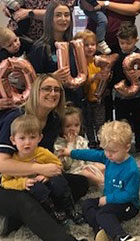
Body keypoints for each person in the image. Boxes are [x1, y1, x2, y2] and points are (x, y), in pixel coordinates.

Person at [0, 74, 88, 241]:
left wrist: (48, 172)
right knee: (25, 201)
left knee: (80, 183)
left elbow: (45, 157)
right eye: (47, 88)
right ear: (35, 91)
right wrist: (39, 169)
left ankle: (24, 216)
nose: (53, 93)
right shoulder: (15, 117)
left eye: (57, 90)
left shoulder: (53, 120)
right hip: (7, 181)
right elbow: (1, 165)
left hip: (36, 177)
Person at [60, 120, 140, 241]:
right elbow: (90, 154)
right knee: (87, 204)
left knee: (103, 213)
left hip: (128, 204)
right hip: (109, 199)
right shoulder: (108, 156)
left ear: (127, 147)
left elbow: (130, 194)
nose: (108, 155)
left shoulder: (132, 169)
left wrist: (108, 199)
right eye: (106, 150)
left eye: (113, 151)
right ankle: (101, 230)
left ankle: (122, 237)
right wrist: (71, 152)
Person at [1, 114, 84, 225]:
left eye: (32, 137)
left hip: (50, 183)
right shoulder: (13, 160)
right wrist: (22, 183)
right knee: (37, 189)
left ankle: (70, 209)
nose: (27, 142)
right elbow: (5, 182)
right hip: (34, 191)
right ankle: (54, 214)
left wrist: (47, 175)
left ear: (39, 138)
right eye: (22, 138)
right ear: (13, 140)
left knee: (59, 181)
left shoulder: (42, 152)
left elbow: (57, 165)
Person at [27, 0, 83, 107]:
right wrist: (52, 77)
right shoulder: (40, 47)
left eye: (66, 15)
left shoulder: (74, 46)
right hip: (51, 104)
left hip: (75, 102)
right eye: (58, 15)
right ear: (49, 19)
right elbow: (31, 79)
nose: (63, 19)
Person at [111, 21, 140, 152]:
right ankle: (123, 145)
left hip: (139, 96)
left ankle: (139, 144)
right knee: (122, 122)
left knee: (138, 122)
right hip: (122, 97)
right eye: (122, 43)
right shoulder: (116, 57)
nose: (125, 46)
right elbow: (113, 76)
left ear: (135, 40)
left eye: (128, 43)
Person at [54, 103, 105, 186]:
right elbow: (66, 165)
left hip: (86, 166)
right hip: (74, 172)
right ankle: (104, 185)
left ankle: (115, 181)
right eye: (68, 126)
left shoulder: (80, 139)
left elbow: (88, 155)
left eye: (76, 125)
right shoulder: (59, 144)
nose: (73, 129)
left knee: (102, 166)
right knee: (87, 174)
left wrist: (93, 166)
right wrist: (70, 144)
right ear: (61, 127)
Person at [73, 30, 107, 148]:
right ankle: (91, 143)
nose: (90, 48)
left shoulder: (98, 61)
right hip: (85, 98)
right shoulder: (78, 62)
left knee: (100, 123)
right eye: (86, 45)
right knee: (87, 123)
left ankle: (102, 143)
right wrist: (94, 77)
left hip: (98, 98)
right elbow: (82, 80)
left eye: (92, 44)